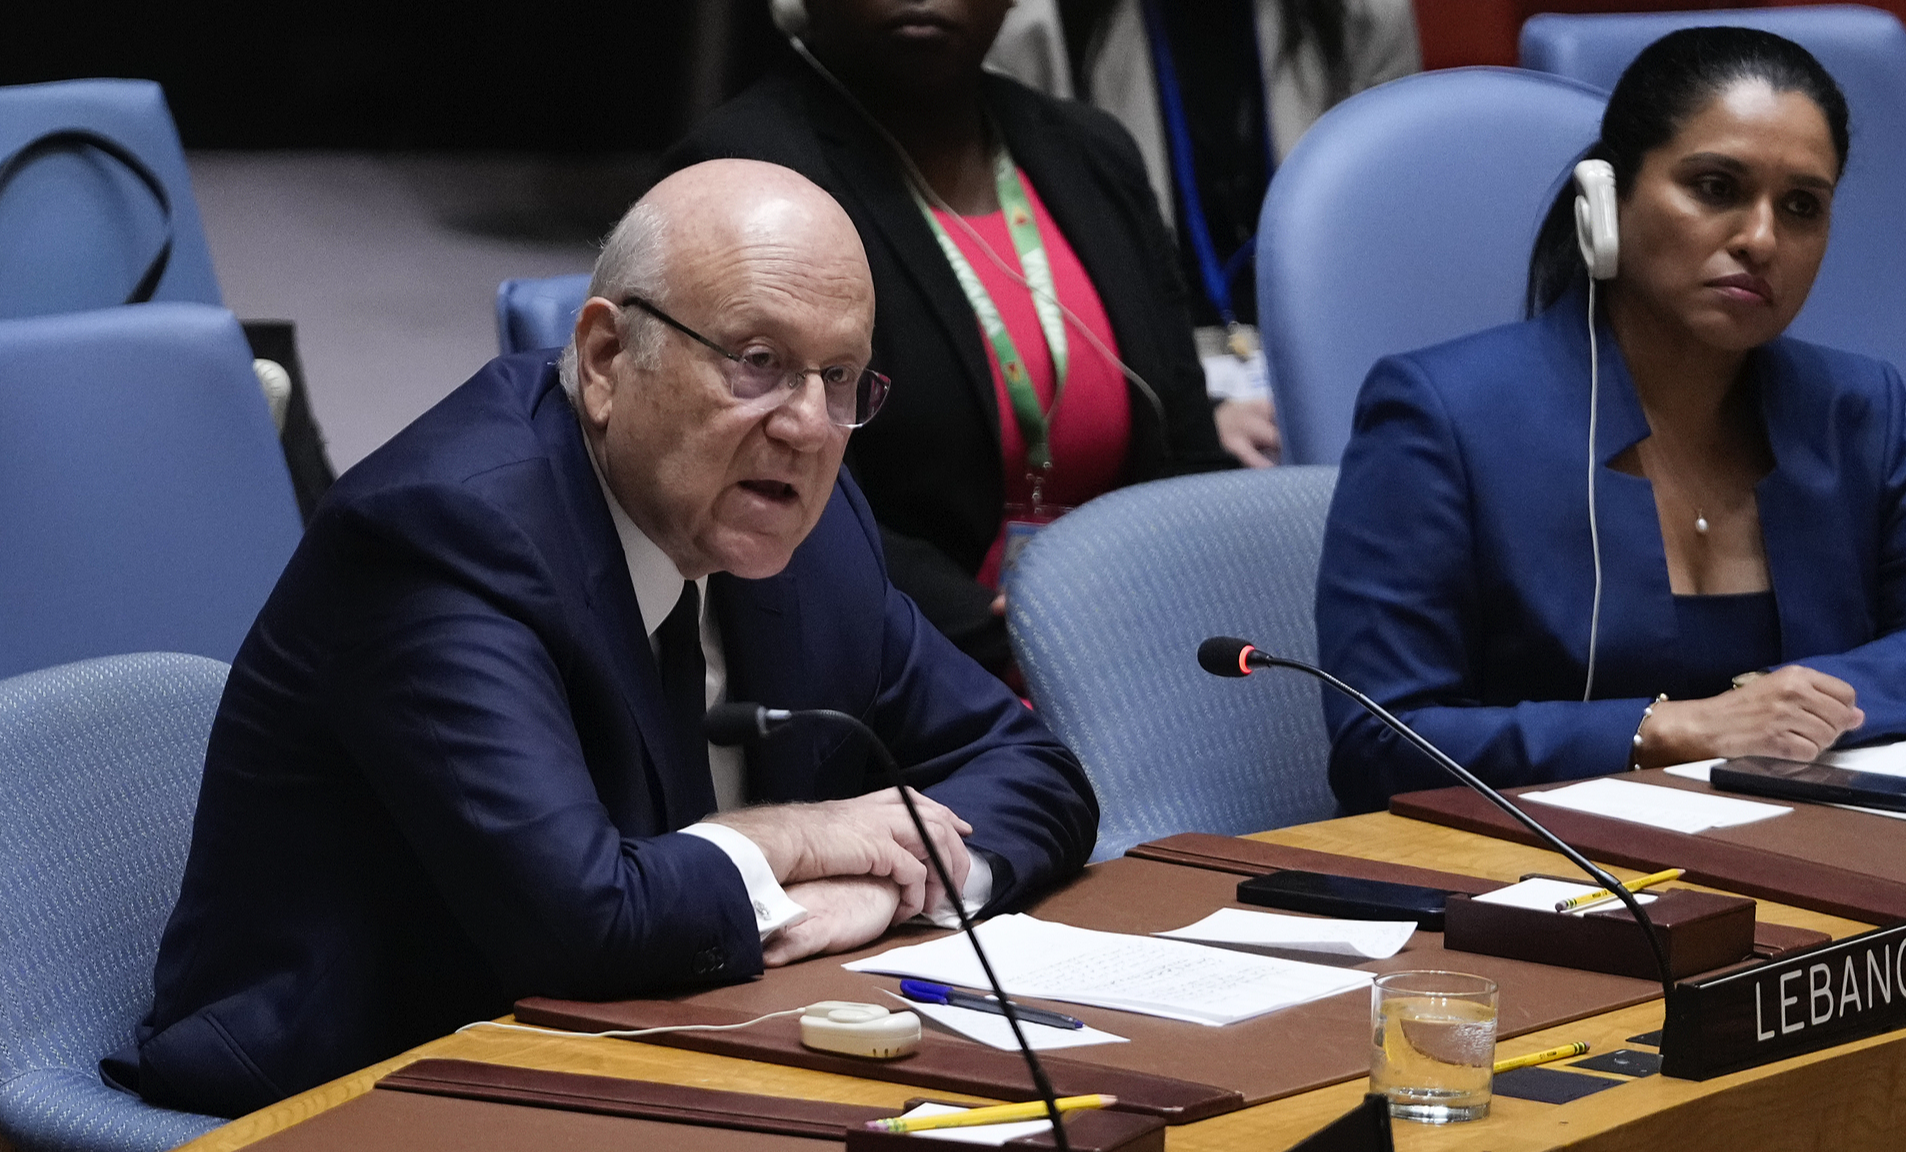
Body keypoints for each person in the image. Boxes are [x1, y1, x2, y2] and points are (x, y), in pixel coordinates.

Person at [105, 160, 1097, 1117]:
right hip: (370, 1081)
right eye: (757, 363)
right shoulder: (440, 537)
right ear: (605, 358)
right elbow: (575, 922)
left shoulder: (804, 524)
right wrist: (802, 836)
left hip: (685, 1040)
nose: (804, 425)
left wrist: (886, 891)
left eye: (837, 378)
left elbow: (1033, 771)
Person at [1317, 27, 1906, 814]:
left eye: (1802, 206)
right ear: (1607, 202)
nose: (1761, 239)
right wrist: (1667, 732)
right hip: (1533, 879)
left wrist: (1787, 706)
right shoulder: (1443, 415)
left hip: (1807, 854)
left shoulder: (1853, 409)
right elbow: (1380, 740)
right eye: (1715, 187)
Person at [666, 0, 1237, 675]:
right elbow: (750, 488)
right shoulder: (740, 173)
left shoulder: (1093, 153)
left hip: (1133, 651)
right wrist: (1006, 630)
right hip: (899, 667)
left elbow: (1190, 452)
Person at [1078, 0, 1420, 457]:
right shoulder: (1045, 31)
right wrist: (1195, 415)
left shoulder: (1366, 15)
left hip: (1323, 367)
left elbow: (1388, 248)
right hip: (1152, 383)